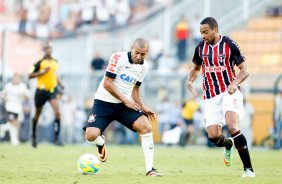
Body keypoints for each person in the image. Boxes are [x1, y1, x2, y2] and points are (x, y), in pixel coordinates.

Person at [186, 17, 255, 177]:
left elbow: (245, 70)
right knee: (213, 136)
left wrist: (234, 83)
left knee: (232, 126)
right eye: (201, 32)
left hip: (228, 92)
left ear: (215, 30)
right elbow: (196, 68)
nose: (202, 35)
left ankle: (248, 170)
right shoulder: (200, 47)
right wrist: (190, 79)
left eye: (205, 32)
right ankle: (228, 144)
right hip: (210, 96)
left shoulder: (229, 44)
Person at [83, 38, 162, 177]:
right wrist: (126, 100)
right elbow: (107, 83)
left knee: (146, 127)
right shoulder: (117, 57)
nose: (138, 56)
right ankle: (100, 142)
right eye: (136, 52)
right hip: (104, 102)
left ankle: (150, 169)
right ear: (132, 47)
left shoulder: (145, 67)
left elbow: (135, 90)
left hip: (125, 105)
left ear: (147, 53)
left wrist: (143, 106)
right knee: (90, 135)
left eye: (142, 54)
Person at [28, 42, 64, 148]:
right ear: (44, 50)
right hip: (41, 91)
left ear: (51, 49)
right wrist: (42, 72)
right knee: (37, 115)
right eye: (46, 48)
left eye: (50, 48)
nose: (48, 50)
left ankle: (57, 139)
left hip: (52, 91)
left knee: (58, 113)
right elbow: (30, 75)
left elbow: (54, 74)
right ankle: (34, 136)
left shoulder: (55, 62)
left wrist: (60, 84)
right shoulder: (39, 63)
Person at [0, 73, 29, 145]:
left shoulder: (23, 86)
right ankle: (14, 141)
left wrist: (23, 96)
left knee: (15, 124)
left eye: (17, 78)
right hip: (10, 107)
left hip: (18, 108)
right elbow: (3, 95)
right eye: (15, 78)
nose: (16, 80)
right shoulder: (8, 86)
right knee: (13, 123)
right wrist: (5, 98)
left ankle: (3, 128)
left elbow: (27, 96)